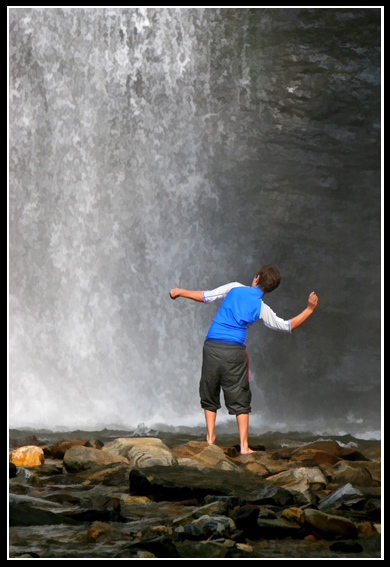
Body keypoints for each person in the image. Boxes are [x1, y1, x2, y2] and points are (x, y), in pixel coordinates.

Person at [169, 265, 318, 454]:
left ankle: (210, 438)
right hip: (234, 352)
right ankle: (245, 447)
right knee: (240, 396)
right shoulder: (261, 307)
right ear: (269, 289)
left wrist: (180, 291)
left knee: (210, 388)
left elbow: (206, 297)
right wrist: (310, 309)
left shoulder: (234, 287)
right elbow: (286, 326)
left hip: (212, 346)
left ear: (256, 278)